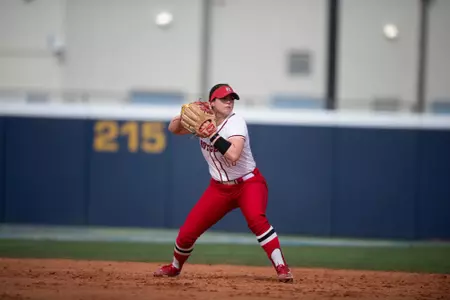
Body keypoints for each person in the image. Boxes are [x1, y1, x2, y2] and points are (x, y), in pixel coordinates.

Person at [153, 83, 293, 283]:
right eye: (224, 99)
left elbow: (234, 154)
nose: (229, 102)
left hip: (248, 184)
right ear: (212, 103)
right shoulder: (203, 120)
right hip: (219, 188)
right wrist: (184, 113)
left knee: (256, 219)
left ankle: (282, 267)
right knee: (187, 232)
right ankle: (174, 267)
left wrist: (212, 135)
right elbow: (173, 129)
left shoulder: (236, 122)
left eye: (232, 99)